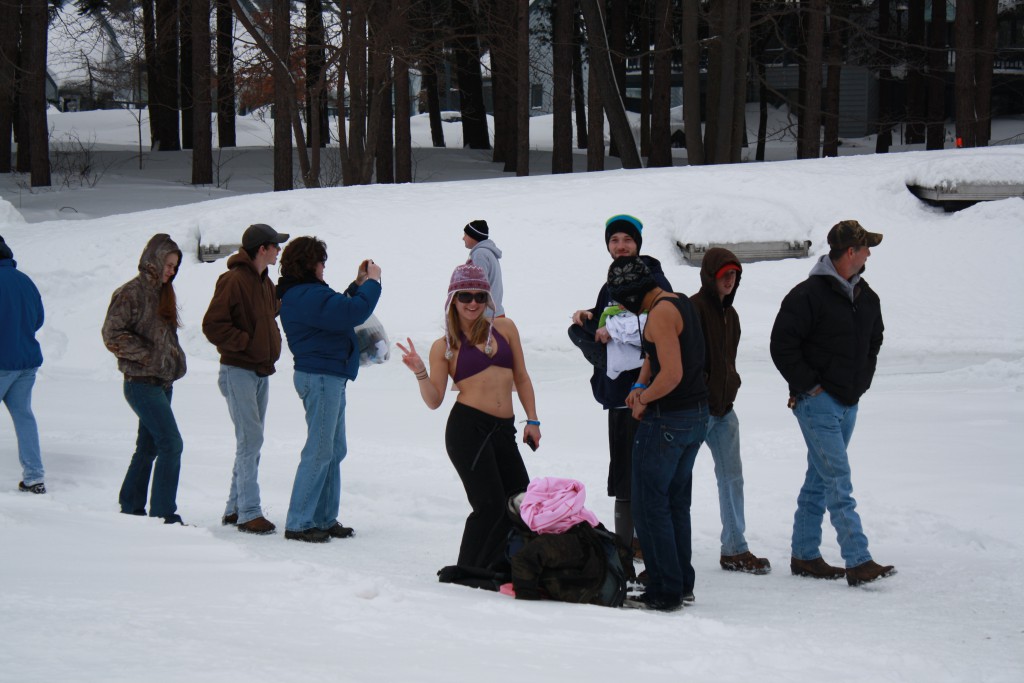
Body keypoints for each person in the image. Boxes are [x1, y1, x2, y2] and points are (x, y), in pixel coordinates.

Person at [770, 220, 896, 587]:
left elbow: (875, 339)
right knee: (838, 480)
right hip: (817, 404)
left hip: (848, 402)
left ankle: (804, 555)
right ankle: (858, 559)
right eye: (865, 247)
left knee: (819, 479)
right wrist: (810, 387)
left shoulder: (866, 295)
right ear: (850, 252)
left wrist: (861, 383)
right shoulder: (807, 295)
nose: (870, 253)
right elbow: (782, 346)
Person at [397, 263, 539, 572]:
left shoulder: (505, 328)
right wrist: (420, 371)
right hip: (468, 429)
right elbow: (434, 400)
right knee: (489, 505)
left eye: (479, 295)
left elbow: (523, 378)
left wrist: (533, 420)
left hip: (503, 430)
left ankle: (500, 565)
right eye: (465, 296)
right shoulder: (444, 346)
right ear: (453, 300)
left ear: (488, 298)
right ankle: (469, 570)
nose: (472, 303)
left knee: (520, 501)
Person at [609, 256, 708, 612]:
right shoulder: (674, 301)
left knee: (650, 505)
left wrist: (644, 400)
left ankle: (665, 589)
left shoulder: (660, 314)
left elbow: (673, 374)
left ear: (634, 294)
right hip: (694, 416)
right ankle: (681, 582)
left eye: (623, 298)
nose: (622, 305)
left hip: (669, 419)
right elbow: (656, 356)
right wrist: (639, 383)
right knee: (675, 503)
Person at [571, 214, 671, 550]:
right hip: (618, 392)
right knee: (624, 469)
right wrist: (589, 315)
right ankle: (631, 538)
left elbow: (656, 320)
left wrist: (610, 331)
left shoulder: (652, 277)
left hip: (643, 391)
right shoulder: (610, 282)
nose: (621, 246)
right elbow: (610, 312)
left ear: (638, 244)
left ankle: (635, 541)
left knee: (637, 471)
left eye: (627, 240)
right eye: (614, 241)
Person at [277, 237, 381, 543]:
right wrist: (373, 283)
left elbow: (338, 308)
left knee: (333, 451)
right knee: (320, 451)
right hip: (320, 377)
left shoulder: (306, 294)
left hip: (329, 376)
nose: (324, 267)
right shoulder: (303, 294)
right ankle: (299, 522)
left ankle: (323, 517)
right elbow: (351, 313)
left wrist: (358, 284)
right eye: (321, 261)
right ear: (309, 264)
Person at [202, 223, 289, 535]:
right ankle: (249, 512)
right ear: (261, 248)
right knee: (250, 440)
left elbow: (267, 315)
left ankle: (235, 507)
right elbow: (213, 325)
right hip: (238, 370)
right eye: (275, 245)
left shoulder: (265, 282)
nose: (279, 250)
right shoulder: (234, 280)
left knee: (251, 441)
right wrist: (247, 344)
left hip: (261, 370)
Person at [689, 248, 770, 575]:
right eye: (723, 274)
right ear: (710, 275)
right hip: (694, 411)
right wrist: (704, 384)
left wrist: (730, 382)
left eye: (734, 274)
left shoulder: (731, 315)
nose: (729, 279)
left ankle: (734, 549)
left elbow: (728, 360)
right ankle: (643, 539)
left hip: (724, 412)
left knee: (732, 478)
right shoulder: (693, 309)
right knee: (675, 478)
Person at [102, 234, 187, 524]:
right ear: (155, 259)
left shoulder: (163, 293)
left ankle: (131, 505)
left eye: (175, 266)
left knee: (149, 446)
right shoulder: (131, 292)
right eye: (168, 264)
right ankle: (164, 513)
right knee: (171, 444)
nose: (171, 271)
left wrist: (174, 360)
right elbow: (111, 335)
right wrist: (148, 356)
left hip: (162, 383)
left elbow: (165, 338)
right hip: (140, 383)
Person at [0, 235, 46, 494]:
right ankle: (34, 477)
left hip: (1, 362)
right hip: (26, 363)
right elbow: (37, 319)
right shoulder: (25, 281)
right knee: (24, 417)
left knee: (24, 416)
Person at [462, 219, 505, 316]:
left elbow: (478, 286)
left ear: (473, 236)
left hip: (485, 316)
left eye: (465, 235)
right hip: (494, 312)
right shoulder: (487, 253)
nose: (463, 238)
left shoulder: (480, 254)